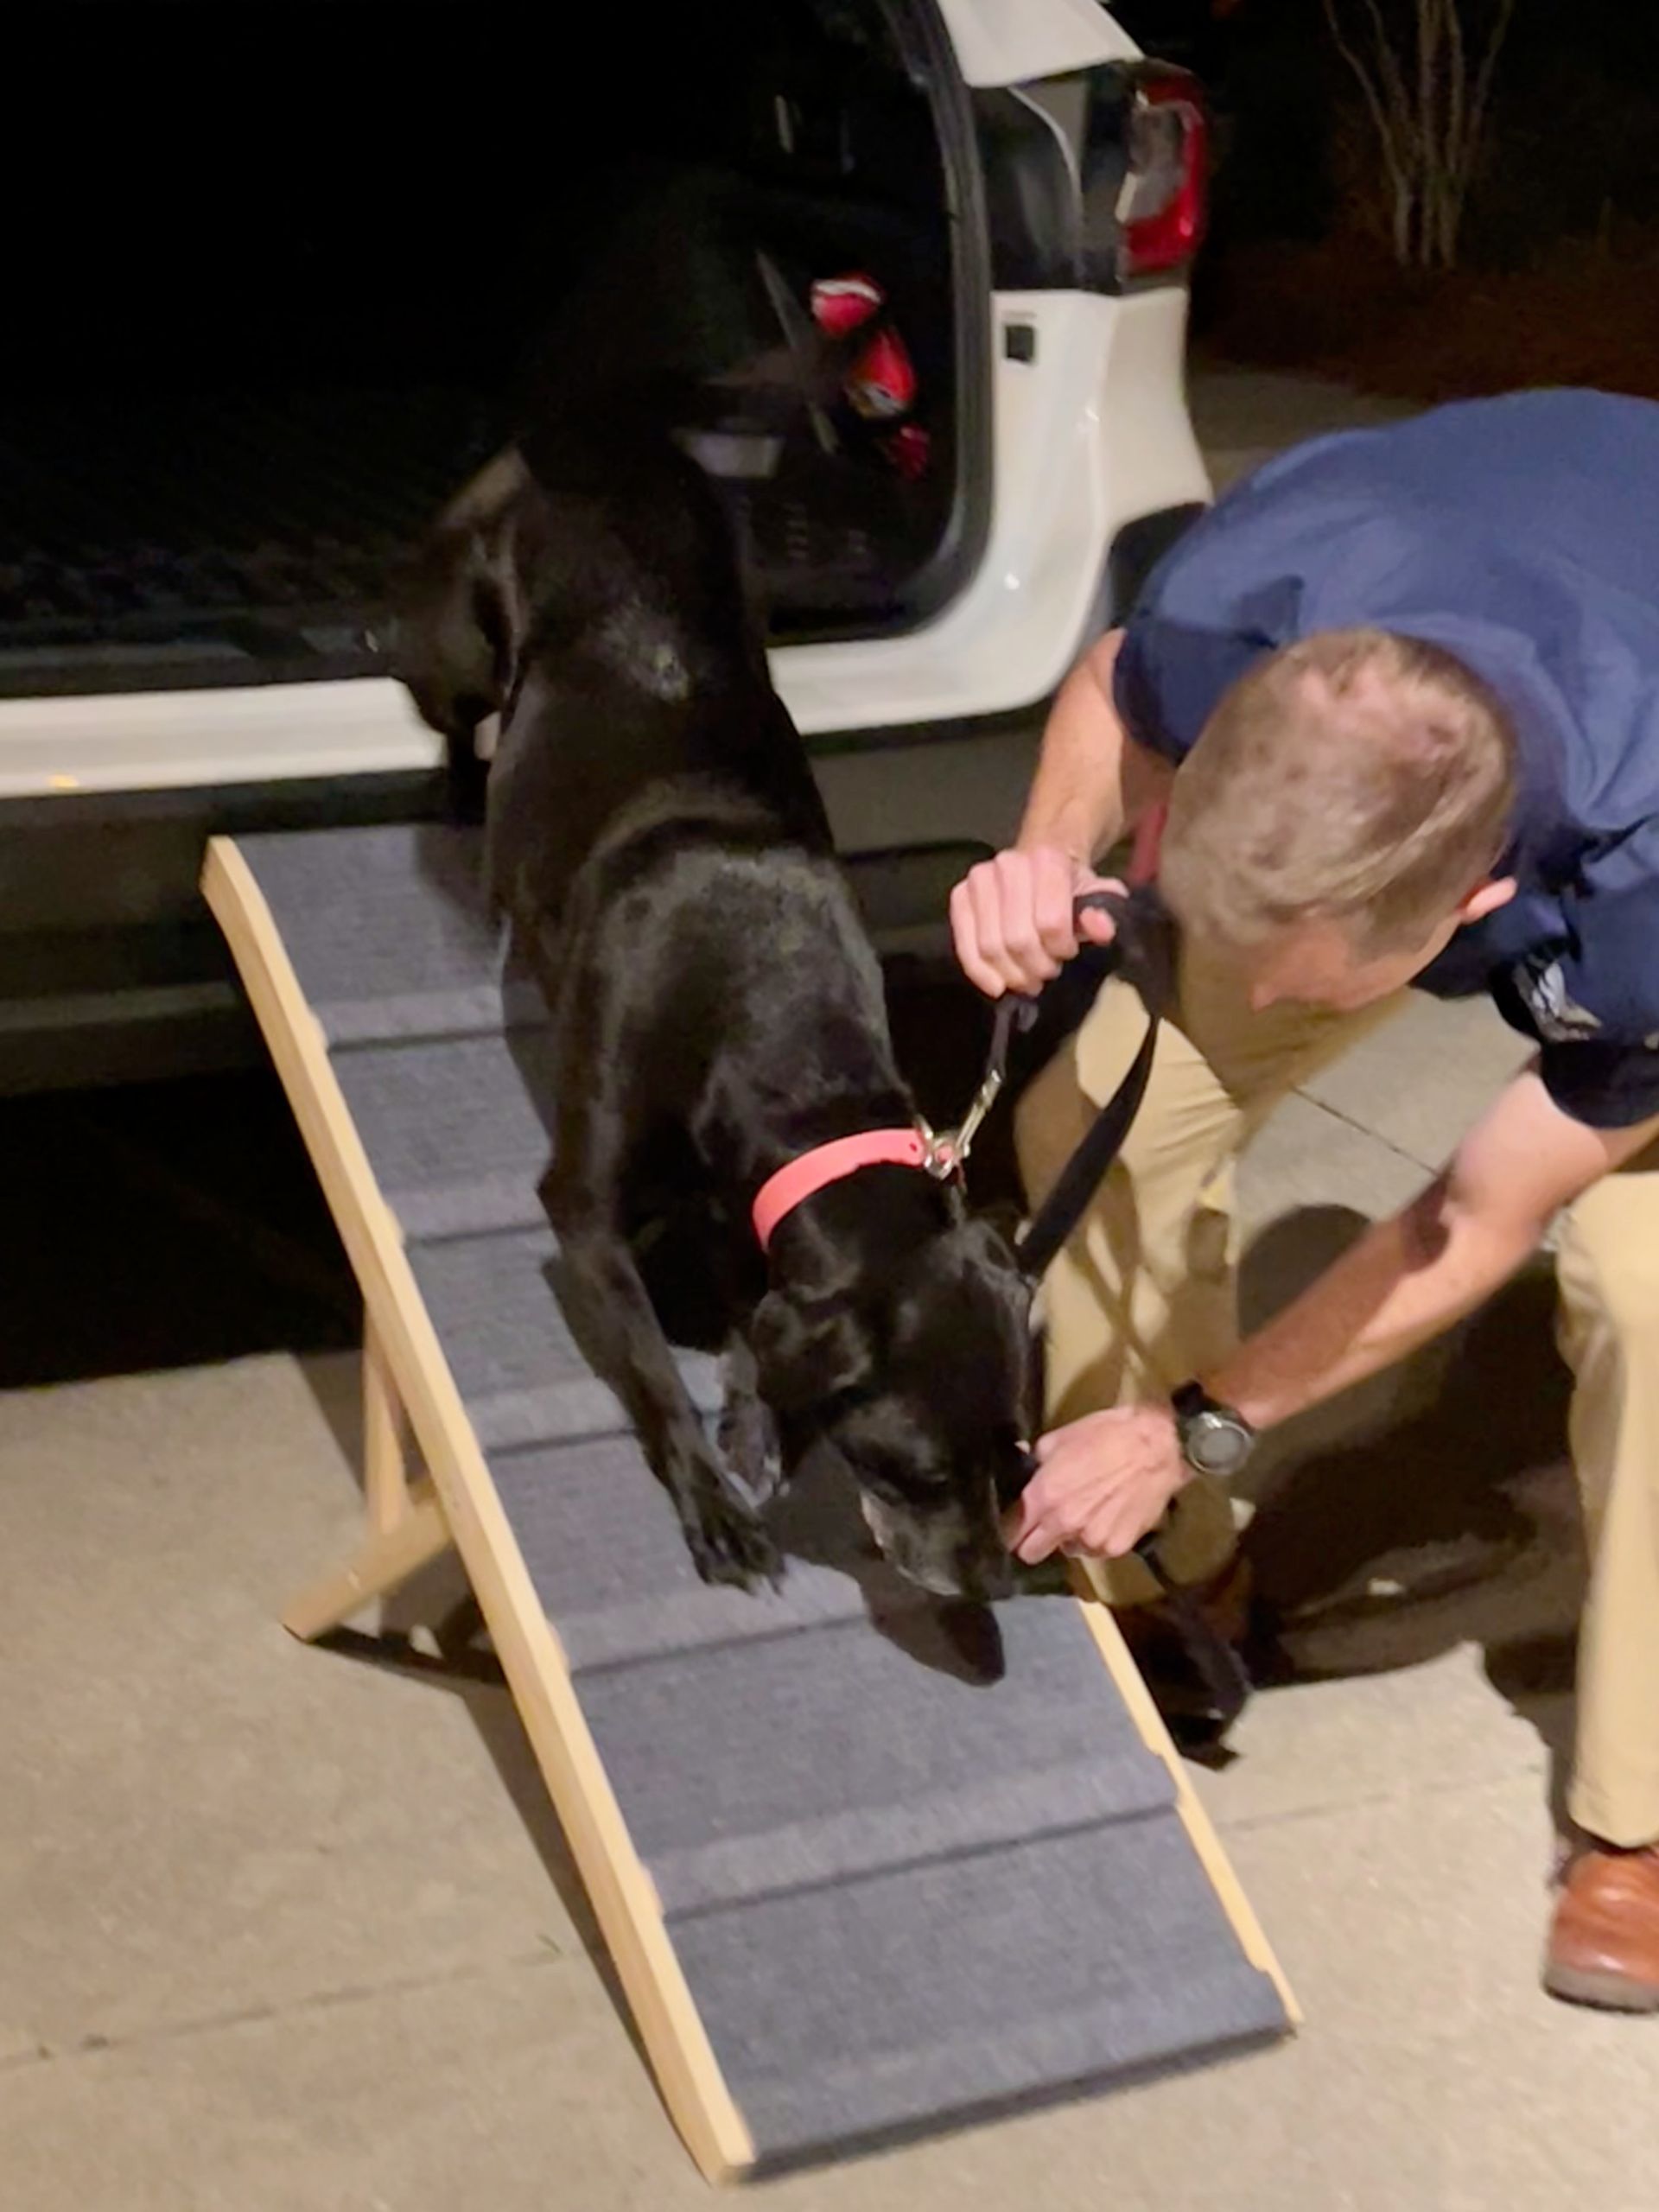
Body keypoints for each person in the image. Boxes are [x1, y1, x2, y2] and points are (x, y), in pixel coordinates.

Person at [950, 389, 1659, 2012]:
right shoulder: (1258, 591)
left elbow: (1468, 1218)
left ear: (1479, 908)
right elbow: (1115, 690)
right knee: (1107, 1097)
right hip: (1485, 628)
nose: (1272, 999)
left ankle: (1642, 1819)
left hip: (1642, 814)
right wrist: (1049, 857)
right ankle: (1176, 1574)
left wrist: (1202, 1412)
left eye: (1313, 980)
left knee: (1642, 1288)